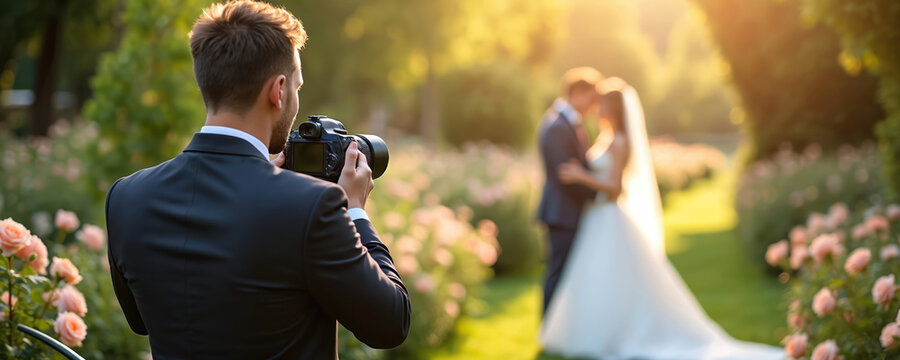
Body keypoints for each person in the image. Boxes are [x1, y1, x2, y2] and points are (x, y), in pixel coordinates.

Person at [104, 1, 410, 358]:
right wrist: (355, 210)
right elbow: (390, 324)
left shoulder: (126, 196)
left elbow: (141, 321)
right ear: (278, 90)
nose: (295, 99)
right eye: (296, 87)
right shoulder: (312, 207)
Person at [539, 77, 783, 359]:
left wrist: (583, 177)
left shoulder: (620, 142)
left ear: (613, 109)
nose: (597, 109)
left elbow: (616, 188)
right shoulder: (605, 139)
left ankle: (612, 333)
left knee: (611, 278)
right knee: (599, 280)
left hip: (609, 216)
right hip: (596, 218)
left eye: (602, 104)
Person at [537, 67, 603, 315]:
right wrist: (598, 195)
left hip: (566, 211)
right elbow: (566, 176)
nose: (594, 106)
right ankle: (549, 326)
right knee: (558, 272)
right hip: (562, 212)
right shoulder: (558, 126)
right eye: (591, 98)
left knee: (565, 272)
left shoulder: (566, 123)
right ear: (577, 93)